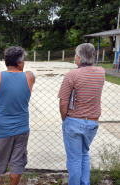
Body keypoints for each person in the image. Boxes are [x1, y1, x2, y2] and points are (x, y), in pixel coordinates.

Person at [0, 46, 35, 185]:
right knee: (18, 160)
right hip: (22, 128)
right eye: (23, 61)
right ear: (19, 63)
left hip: (2, 129)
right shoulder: (29, 77)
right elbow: (24, 74)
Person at [58, 43, 105, 185]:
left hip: (74, 122)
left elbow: (63, 103)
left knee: (74, 159)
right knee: (84, 154)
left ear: (78, 57)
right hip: (92, 122)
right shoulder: (101, 72)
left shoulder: (72, 75)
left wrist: (64, 119)